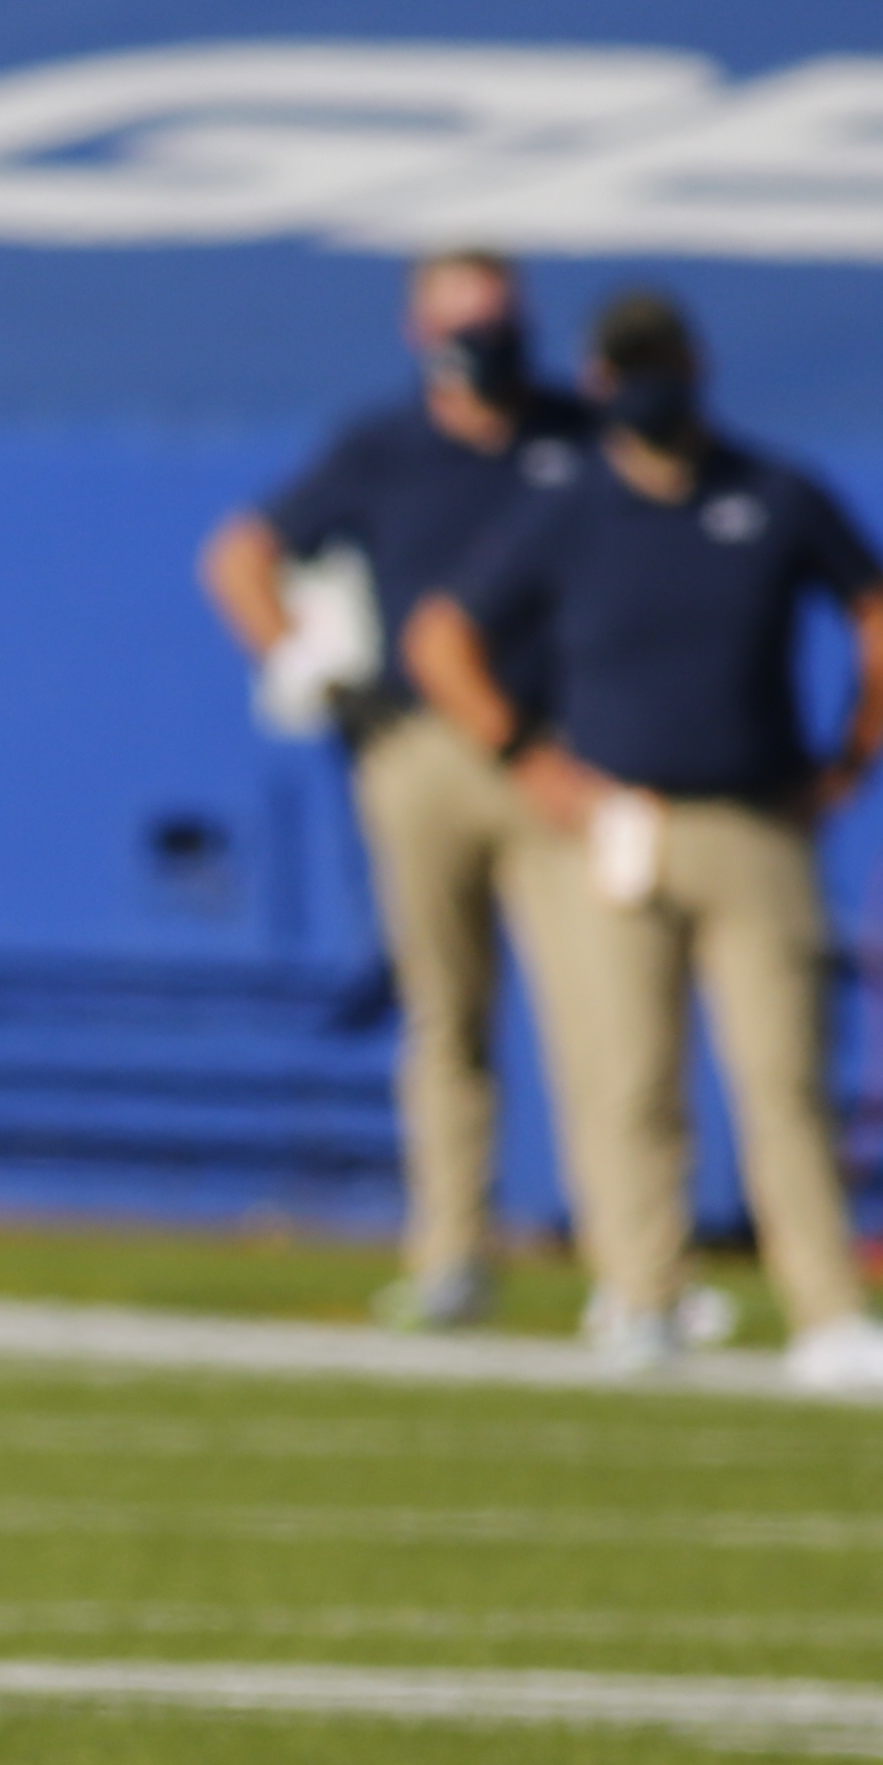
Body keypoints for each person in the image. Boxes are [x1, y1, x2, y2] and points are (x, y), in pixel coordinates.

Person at [410, 290, 883, 1393]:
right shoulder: (569, 501)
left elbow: (872, 613)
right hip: (616, 821)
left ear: (695, 364)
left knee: (784, 1074)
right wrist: (531, 760)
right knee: (625, 1072)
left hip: (758, 817)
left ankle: (825, 1307)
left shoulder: (770, 491)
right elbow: (444, 637)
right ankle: (640, 1291)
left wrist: (849, 760)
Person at [198, 251, 595, 1331]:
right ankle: (453, 1251)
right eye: (462, 319)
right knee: (445, 1009)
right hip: (416, 746)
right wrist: (298, 657)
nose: (487, 339)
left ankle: (628, 1258)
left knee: (598, 1009)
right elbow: (240, 555)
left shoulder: (571, 436)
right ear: (419, 332)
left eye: (499, 316)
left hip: (559, 752)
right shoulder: (385, 445)